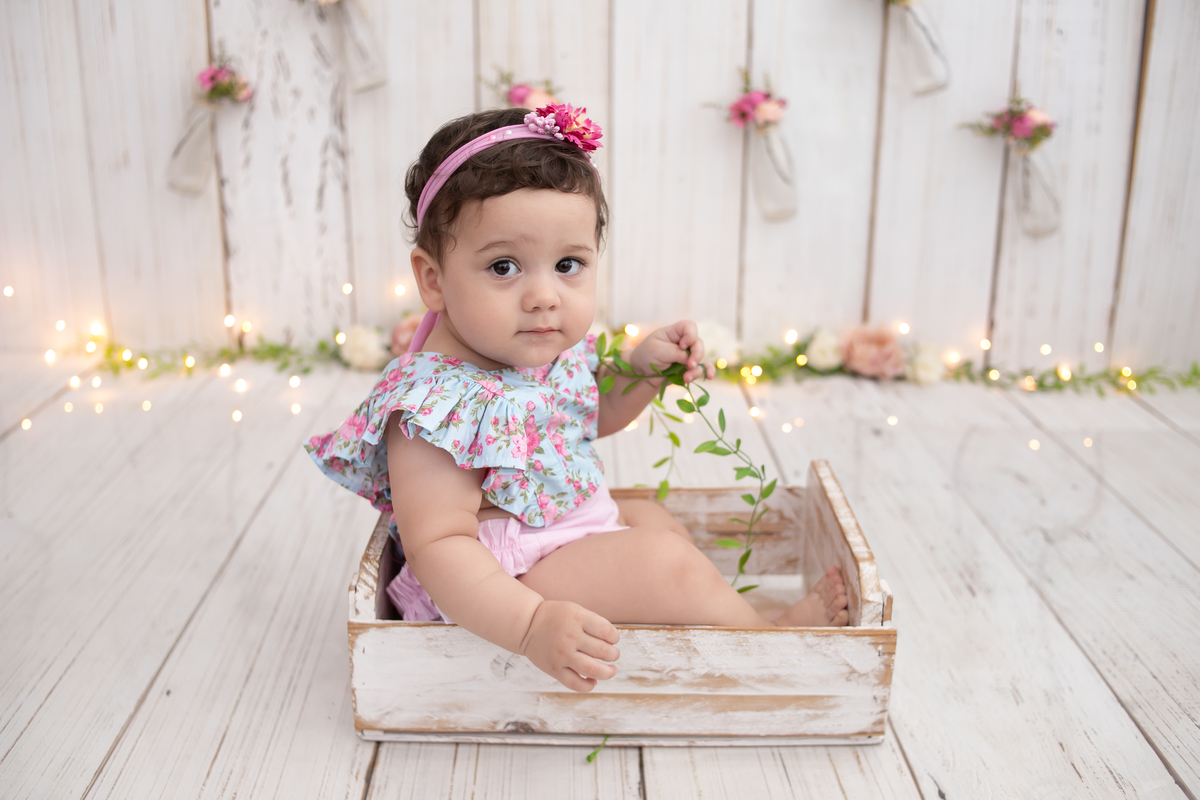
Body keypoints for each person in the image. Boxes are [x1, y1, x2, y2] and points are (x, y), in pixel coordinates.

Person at [306, 105, 848, 694]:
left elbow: (588, 418)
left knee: (654, 522)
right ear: (433, 279)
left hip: (560, 536)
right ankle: (769, 645)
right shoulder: (434, 408)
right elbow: (439, 547)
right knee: (664, 564)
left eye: (568, 265)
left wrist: (641, 374)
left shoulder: (536, 349)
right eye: (504, 267)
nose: (544, 296)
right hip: (499, 587)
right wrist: (530, 625)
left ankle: (703, 625)